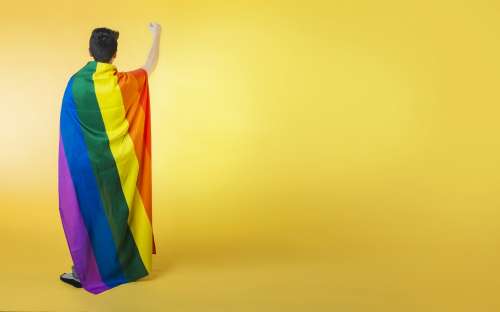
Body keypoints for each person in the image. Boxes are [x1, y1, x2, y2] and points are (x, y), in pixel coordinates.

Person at [58, 22, 161, 294]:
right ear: (115, 55)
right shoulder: (123, 84)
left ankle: (81, 271)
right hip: (116, 165)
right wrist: (156, 34)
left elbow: (68, 125)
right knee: (114, 212)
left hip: (83, 164)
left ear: (89, 52)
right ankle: (121, 264)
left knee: (86, 216)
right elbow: (150, 66)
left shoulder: (76, 83)